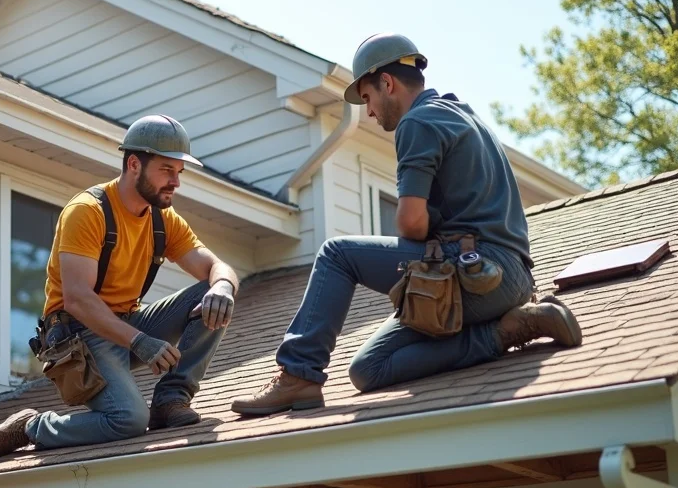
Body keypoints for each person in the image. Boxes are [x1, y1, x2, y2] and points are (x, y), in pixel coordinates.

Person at [230, 33, 582, 416]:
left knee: (336, 254)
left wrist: (425, 223)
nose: (369, 112)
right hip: (506, 280)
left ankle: (298, 375)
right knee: (368, 369)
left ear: (387, 83)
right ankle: (510, 330)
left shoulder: (418, 122)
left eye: (367, 98)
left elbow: (411, 223)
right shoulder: (462, 114)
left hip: (479, 273)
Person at [0, 114, 240, 461]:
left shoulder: (163, 219)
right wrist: (140, 342)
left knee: (213, 292)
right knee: (128, 420)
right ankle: (31, 426)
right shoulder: (87, 212)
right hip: (78, 337)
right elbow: (77, 299)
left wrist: (222, 285)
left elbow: (219, 267)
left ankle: (170, 400)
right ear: (134, 164)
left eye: (179, 173)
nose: (175, 182)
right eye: (166, 170)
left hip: (126, 325)